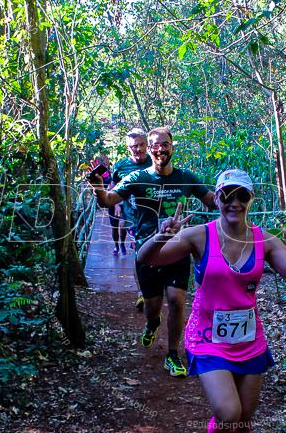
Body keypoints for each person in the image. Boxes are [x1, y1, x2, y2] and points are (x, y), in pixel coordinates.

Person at [136, 169, 286, 433]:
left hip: (250, 340)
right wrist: (160, 236)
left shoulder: (266, 240)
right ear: (216, 198)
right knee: (228, 411)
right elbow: (146, 259)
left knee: (244, 419)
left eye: (241, 196)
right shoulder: (198, 235)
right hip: (208, 338)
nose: (234, 203)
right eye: (226, 196)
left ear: (250, 200)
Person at [89, 127, 216, 377]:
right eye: (156, 144)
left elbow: (213, 200)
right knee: (152, 307)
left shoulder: (185, 177)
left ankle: (172, 354)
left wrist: (235, 195)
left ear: (172, 147)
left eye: (165, 144)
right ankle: (152, 323)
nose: (160, 149)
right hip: (148, 251)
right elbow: (108, 201)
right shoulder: (137, 178)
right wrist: (97, 187)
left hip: (178, 248)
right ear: (150, 147)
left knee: (177, 301)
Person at [112, 130, 152, 295]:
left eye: (142, 145)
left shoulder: (156, 160)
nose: (138, 149)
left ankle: (155, 286)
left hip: (155, 216)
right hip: (132, 217)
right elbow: (114, 184)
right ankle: (141, 291)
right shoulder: (120, 166)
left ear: (147, 145)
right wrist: (116, 202)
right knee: (139, 253)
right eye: (134, 146)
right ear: (128, 148)